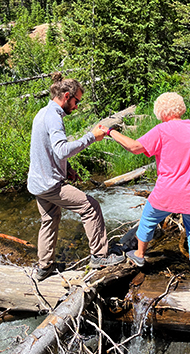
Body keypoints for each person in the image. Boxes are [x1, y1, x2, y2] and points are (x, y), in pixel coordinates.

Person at [106, 92, 190, 298]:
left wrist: (110, 132)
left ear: (160, 111)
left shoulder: (161, 130)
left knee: (148, 219)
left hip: (168, 191)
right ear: (180, 108)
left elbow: (134, 147)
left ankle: (140, 254)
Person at [27, 74, 124, 281]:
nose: (77, 106)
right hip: (50, 184)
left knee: (49, 220)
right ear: (67, 96)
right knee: (90, 206)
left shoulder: (42, 113)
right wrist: (91, 137)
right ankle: (99, 256)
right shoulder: (53, 117)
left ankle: (44, 267)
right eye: (77, 101)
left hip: (38, 183)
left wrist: (67, 168)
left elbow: (48, 150)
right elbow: (61, 150)